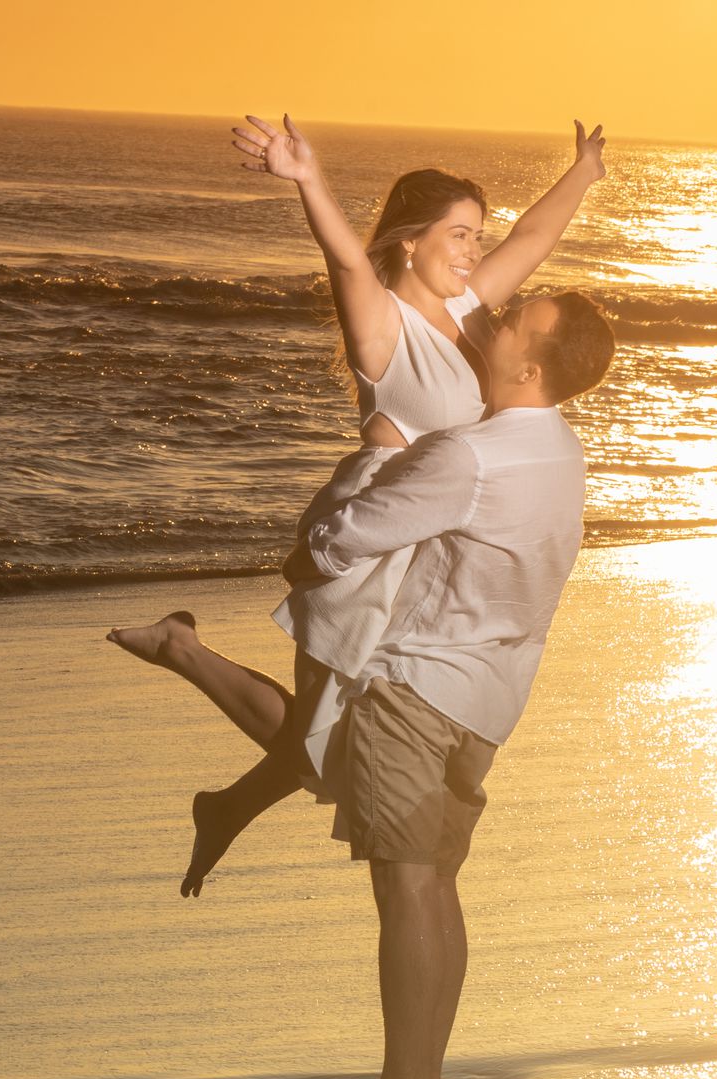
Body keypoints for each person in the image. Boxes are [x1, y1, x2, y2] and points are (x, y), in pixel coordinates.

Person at [107, 114, 607, 895]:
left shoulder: (475, 312)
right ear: (412, 241)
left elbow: (534, 239)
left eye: (479, 237)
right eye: (460, 235)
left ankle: (224, 799)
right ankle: (185, 656)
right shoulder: (383, 321)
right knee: (325, 741)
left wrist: (583, 171)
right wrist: (306, 178)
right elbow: (344, 256)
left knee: (333, 743)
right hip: (368, 526)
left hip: (430, 531)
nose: (476, 252)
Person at [284, 290, 615, 1079]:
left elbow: (354, 534)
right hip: (491, 699)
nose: (493, 323)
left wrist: (309, 551)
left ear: (531, 366)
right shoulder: (563, 452)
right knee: (436, 885)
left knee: (404, 891)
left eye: (512, 323)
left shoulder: (471, 455)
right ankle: (422, 1076)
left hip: (416, 685)